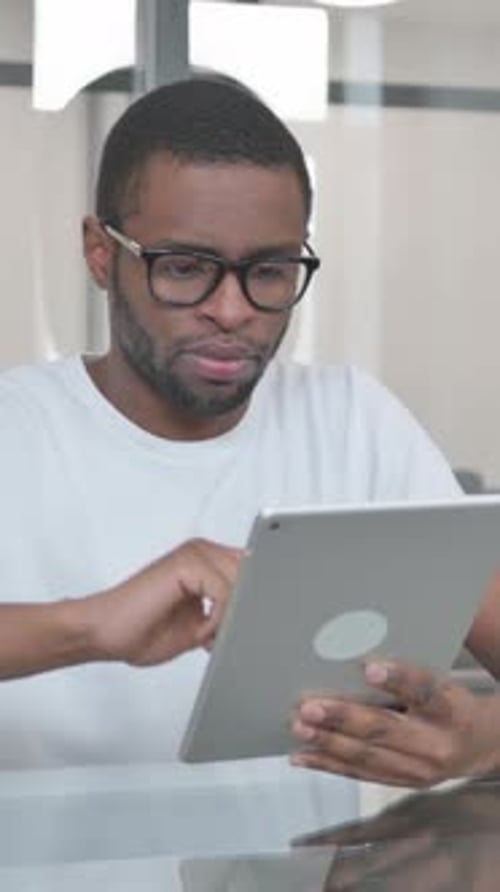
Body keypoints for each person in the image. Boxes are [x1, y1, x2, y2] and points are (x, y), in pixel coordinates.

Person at [0, 73, 496, 793]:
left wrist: (483, 737)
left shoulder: (355, 421)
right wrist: (91, 626)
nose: (232, 310)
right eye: (186, 268)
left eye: (269, 271)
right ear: (100, 253)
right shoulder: (16, 428)